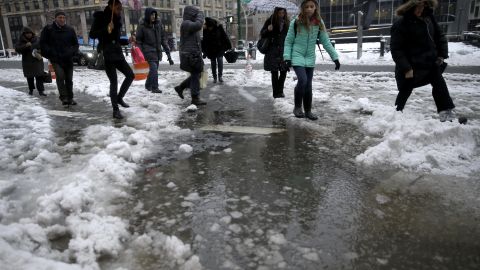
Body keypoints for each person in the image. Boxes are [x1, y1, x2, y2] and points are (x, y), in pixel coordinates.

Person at [391, 0, 455, 122]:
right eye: (417, 6)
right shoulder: (401, 24)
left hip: (430, 63)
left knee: (439, 84)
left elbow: (439, 36)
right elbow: (396, 49)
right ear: (409, 7)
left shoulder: (428, 18)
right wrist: (406, 68)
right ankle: (395, 115)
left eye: (423, 5)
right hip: (412, 66)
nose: (420, 9)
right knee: (405, 90)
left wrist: (441, 55)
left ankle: (446, 113)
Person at [283, 0, 340, 120]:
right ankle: (297, 107)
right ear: (303, 8)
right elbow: (288, 42)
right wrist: (287, 58)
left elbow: (326, 42)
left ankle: (308, 111)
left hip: (310, 56)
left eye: (311, 6)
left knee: (308, 84)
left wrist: (335, 57)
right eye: (306, 7)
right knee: (302, 80)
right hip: (297, 55)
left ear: (315, 8)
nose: (309, 9)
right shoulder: (296, 22)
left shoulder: (319, 23)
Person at [89, 0, 134, 119]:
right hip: (107, 53)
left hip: (118, 53)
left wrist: (126, 41)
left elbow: (116, 39)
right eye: (118, 8)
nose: (119, 11)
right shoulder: (100, 18)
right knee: (113, 81)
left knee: (130, 75)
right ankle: (115, 109)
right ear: (110, 6)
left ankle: (119, 98)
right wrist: (106, 29)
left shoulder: (117, 19)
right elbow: (92, 34)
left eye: (120, 9)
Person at [40, 9, 79, 106]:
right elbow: (43, 43)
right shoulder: (48, 29)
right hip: (56, 59)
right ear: (55, 18)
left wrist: (72, 52)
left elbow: (76, 44)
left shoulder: (70, 29)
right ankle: (64, 97)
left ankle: (70, 98)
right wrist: (50, 53)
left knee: (69, 79)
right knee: (60, 76)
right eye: (60, 17)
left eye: (63, 17)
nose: (62, 19)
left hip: (68, 59)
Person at [174, 6, 207, 106]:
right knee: (196, 75)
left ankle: (181, 88)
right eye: (196, 15)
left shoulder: (190, 25)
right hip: (190, 56)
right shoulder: (186, 24)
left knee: (197, 75)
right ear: (192, 14)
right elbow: (198, 24)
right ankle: (195, 98)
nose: (198, 16)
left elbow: (195, 41)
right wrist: (201, 14)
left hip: (194, 55)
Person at [136, 7, 174, 93]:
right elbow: (139, 41)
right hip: (148, 51)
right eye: (151, 14)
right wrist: (141, 53)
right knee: (153, 69)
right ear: (147, 15)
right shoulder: (142, 26)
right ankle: (154, 87)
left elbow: (163, 38)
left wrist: (168, 54)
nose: (153, 16)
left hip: (157, 51)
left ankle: (147, 85)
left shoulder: (158, 25)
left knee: (154, 70)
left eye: (154, 14)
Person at [260, 7, 290, 98]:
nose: (281, 14)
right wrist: (268, 30)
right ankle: (275, 93)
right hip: (272, 50)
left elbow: (290, 36)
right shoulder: (270, 21)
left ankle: (280, 91)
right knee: (274, 72)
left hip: (283, 50)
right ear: (276, 13)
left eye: (283, 13)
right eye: (280, 13)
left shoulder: (287, 23)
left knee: (284, 71)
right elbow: (262, 33)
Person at [15, 27, 47, 96]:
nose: (29, 34)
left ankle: (41, 91)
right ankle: (31, 90)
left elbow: (42, 47)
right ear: (24, 34)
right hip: (27, 62)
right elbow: (17, 49)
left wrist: (40, 51)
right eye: (27, 33)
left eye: (30, 33)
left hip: (37, 61)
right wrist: (25, 46)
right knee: (30, 77)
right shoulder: (21, 41)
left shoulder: (37, 39)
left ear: (32, 33)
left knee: (39, 76)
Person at [201, 17, 231, 83]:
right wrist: (204, 51)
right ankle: (214, 77)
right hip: (210, 49)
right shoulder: (205, 29)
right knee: (213, 63)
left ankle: (220, 76)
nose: (210, 28)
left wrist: (228, 45)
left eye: (210, 27)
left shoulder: (219, 27)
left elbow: (224, 36)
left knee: (220, 61)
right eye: (209, 27)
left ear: (213, 25)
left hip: (219, 48)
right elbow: (205, 41)